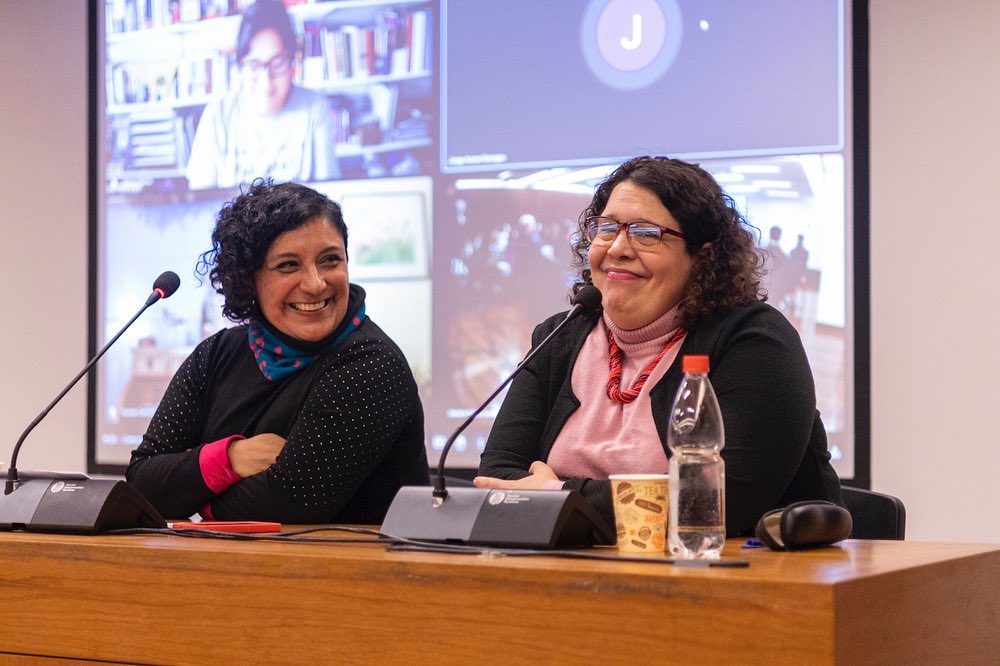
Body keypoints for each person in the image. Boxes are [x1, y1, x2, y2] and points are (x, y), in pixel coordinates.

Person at [474, 156, 842, 536]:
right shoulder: (559, 337)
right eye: (606, 228)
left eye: (646, 233)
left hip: (732, 580)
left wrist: (555, 494)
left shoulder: (754, 340)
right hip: (567, 576)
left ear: (703, 256)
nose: (617, 248)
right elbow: (497, 479)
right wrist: (611, 507)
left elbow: (719, 504)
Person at [127, 180, 428, 522]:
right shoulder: (216, 355)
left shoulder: (371, 364)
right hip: (232, 570)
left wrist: (193, 495)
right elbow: (141, 484)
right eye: (288, 265)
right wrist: (230, 458)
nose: (315, 283)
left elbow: (290, 501)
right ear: (248, 278)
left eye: (330, 260)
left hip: (357, 572)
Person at [185, 0, 340, 190]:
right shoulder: (217, 116)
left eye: (277, 63)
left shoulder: (315, 109)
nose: (266, 81)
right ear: (240, 66)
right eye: (254, 65)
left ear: (292, 61)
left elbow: (329, 197)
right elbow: (202, 203)